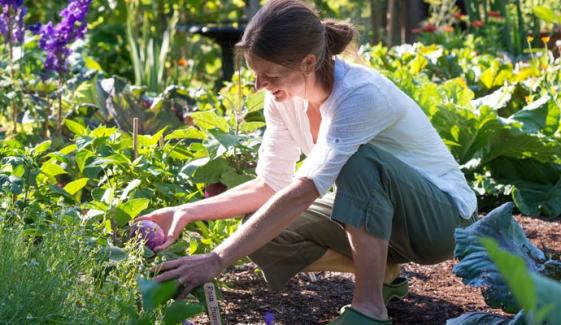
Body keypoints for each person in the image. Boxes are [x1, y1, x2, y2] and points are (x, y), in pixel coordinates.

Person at [137, 0, 478, 323]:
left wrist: (217, 259)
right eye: (255, 73)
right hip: (388, 221)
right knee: (260, 229)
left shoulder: (359, 95)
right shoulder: (283, 98)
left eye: (269, 75)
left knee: (359, 163)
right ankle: (384, 271)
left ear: (308, 63)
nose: (259, 85)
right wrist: (187, 211)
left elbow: (305, 189)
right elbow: (269, 185)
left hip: (442, 221)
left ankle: (369, 307)